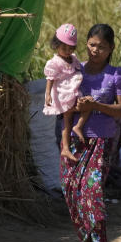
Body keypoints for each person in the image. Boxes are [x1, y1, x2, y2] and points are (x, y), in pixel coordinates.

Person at [63, 24, 121, 242]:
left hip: (101, 140)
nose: (95, 50)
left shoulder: (116, 75)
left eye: (101, 47)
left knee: (92, 194)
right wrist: (64, 141)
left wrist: (97, 105)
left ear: (111, 48)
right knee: (72, 194)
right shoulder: (74, 69)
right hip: (73, 140)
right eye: (91, 45)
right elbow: (63, 104)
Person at [43, 23, 90, 161]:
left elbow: (79, 68)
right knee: (67, 119)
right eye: (64, 48)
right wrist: (47, 95)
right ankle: (66, 148)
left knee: (87, 105)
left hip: (74, 91)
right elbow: (50, 79)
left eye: (70, 48)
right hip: (64, 93)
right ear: (56, 45)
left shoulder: (73, 59)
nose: (67, 51)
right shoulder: (55, 62)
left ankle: (78, 127)